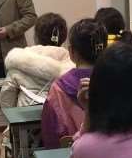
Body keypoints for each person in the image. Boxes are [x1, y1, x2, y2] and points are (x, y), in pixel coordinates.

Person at [41, 19, 107, 149]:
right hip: (113, 154)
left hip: (69, 154)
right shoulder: (117, 81)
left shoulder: (58, 88)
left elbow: (50, 134)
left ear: (71, 52)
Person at [0, 12, 73, 109]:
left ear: (36, 36)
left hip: (25, 116)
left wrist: (13, 115)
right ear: (63, 37)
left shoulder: (19, 59)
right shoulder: (73, 63)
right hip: (60, 116)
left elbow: (7, 93)